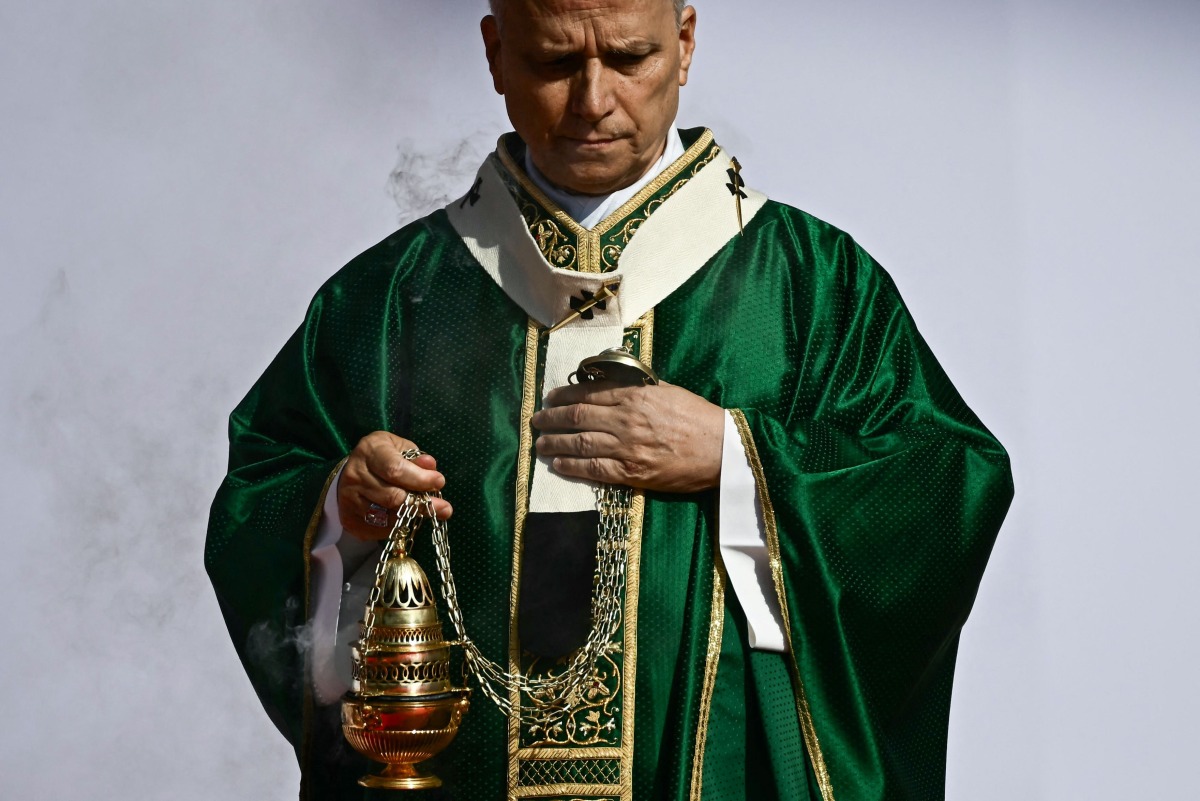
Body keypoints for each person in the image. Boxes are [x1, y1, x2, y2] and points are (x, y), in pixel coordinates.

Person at [205, 1, 1014, 799]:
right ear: (495, 52)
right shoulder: (387, 300)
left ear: (686, 42)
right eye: (555, 62)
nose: (593, 101)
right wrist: (343, 509)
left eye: (630, 58)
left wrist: (736, 456)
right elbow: (261, 501)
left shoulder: (810, 284)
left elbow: (947, 486)